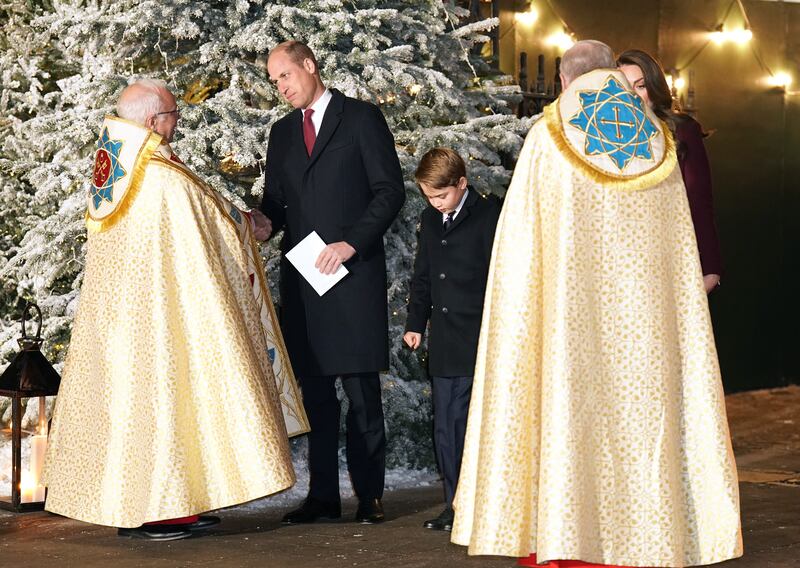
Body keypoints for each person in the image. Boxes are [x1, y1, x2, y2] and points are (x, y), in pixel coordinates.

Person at [450, 40, 743, 567]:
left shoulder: (548, 137)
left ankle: (569, 537)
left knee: (572, 421)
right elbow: (680, 241)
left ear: (563, 82)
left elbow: (520, 246)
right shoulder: (656, 142)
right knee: (640, 429)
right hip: (645, 327)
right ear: (608, 76)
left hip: (569, 324)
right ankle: (651, 538)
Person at [43, 78, 307, 541]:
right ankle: (158, 509)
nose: (177, 120)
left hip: (127, 320)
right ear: (151, 121)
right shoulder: (157, 178)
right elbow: (208, 222)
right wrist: (248, 224)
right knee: (162, 401)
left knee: (161, 404)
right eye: (172, 114)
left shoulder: (120, 167)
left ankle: (178, 502)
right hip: (159, 317)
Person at [256, 41, 405, 525]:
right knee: (315, 394)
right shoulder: (281, 134)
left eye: (285, 76)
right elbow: (276, 201)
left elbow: (389, 192)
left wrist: (351, 244)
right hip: (304, 280)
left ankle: (369, 496)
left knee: (361, 393)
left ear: (310, 65)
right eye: (274, 81)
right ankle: (322, 497)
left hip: (352, 276)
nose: (281, 87)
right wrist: (262, 222)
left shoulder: (360, 119)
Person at [403, 148, 500, 532]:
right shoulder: (430, 217)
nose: (435, 203)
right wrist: (415, 323)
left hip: (477, 336)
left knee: (467, 423)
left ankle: (478, 504)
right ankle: (453, 505)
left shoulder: (489, 215)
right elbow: (423, 274)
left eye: (441, 195)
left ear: (462, 183)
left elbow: (500, 274)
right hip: (443, 340)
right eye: (428, 196)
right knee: (444, 427)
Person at [617, 49, 723, 293]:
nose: (632, 95)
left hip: (669, 259)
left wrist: (711, 269)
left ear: (654, 88)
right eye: (624, 87)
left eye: (640, 86)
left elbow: (699, 199)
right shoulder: (604, 138)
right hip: (618, 264)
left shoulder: (682, 130)